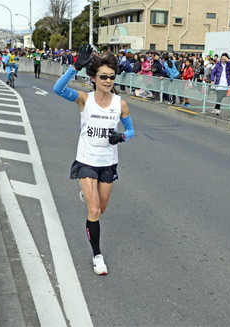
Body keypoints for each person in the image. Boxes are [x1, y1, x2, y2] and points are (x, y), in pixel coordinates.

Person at [53, 45, 135, 275]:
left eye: (111, 77)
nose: (108, 81)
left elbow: (131, 131)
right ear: (93, 78)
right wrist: (74, 67)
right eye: (103, 77)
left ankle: (87, 195)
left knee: (103, 208)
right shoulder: (83, 100)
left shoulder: (121, 104)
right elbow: (58, 89)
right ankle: (97, 256)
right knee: (95, 210)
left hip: (108, 162)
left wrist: (122, 137)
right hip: (86, 160)